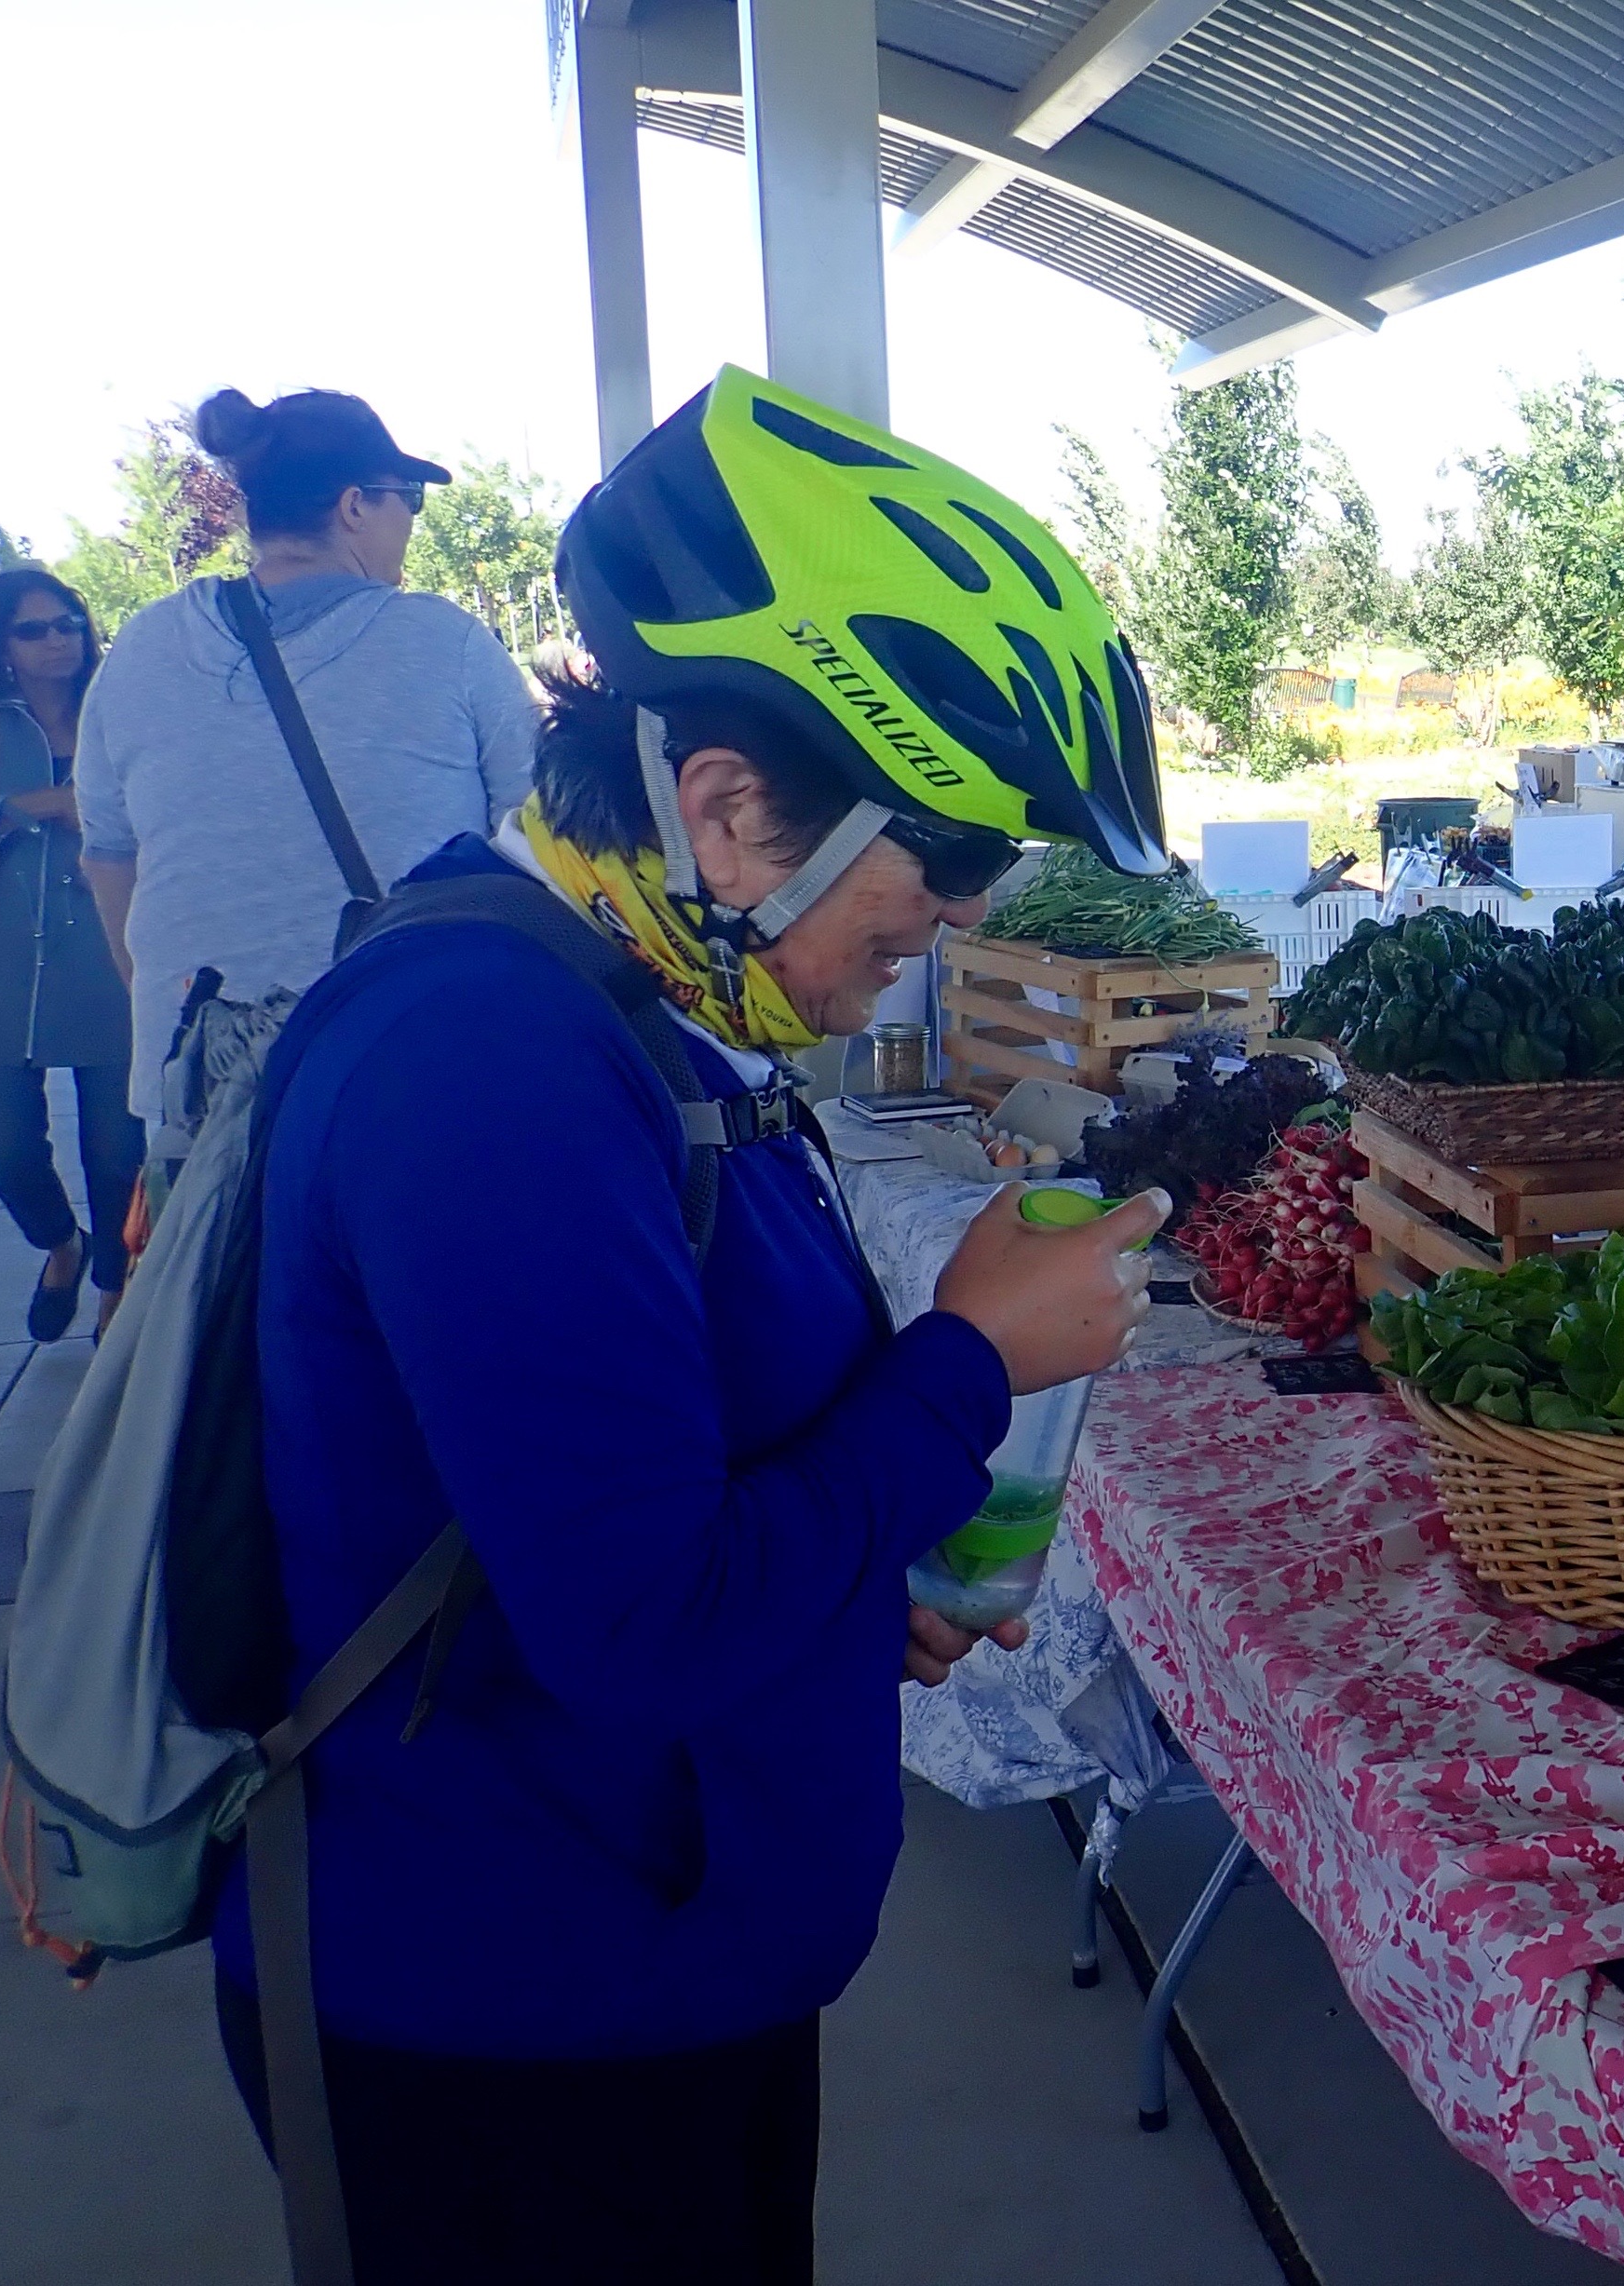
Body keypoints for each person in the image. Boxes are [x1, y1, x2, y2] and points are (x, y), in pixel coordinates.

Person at [207, 367, 1178, 2276]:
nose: (946, 931)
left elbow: (633, 1490)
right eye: (930, 885)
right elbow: (642, 1622)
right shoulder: (487, 1064)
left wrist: (843, 1589)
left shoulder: (623, 1008)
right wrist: (970, 1361)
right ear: (728, 813)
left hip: (639, 1976)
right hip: (508, 2043)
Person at [77, 385, 537, 1151]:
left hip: (199, 1087)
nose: (410, 521)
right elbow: (540, 845)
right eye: (408, 499)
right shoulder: (448, 644)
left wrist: (168, 1006)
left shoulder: (140, 652)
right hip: (407, 1068)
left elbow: (107, 857)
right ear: (355, 505)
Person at [0, 567, 141, 1339]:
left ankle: (115, 1289)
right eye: (34, 629)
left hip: (109, 966)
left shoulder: (122, 714)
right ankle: (60, 1244)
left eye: (69, 623)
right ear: (2, 648)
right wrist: (28, 806)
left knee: (119, 1156)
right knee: (7, 1150)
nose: (58, 640)